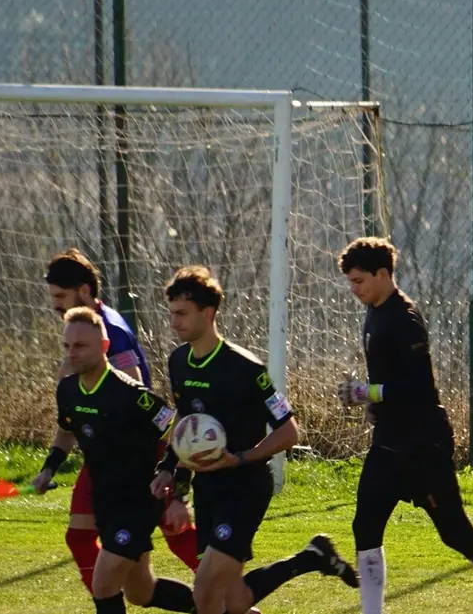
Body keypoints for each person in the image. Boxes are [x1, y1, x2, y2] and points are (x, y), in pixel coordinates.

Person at [150, 266, 358, 614]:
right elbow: (186, 425)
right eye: (171, 314)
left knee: (205, 593)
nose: (174, 323)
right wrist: (170, 474)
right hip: (208, 490)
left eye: (182, 314)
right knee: (236, 602)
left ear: (208, 313)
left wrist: (241, 457)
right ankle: (310, 557)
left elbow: (290, 431)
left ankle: (310, 557)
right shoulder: (178, 363)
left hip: (245, 488)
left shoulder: (247, 370)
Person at [336, 237, 473, 614]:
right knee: (365, 525)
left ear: (383, 274)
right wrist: (369, 401)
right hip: (388, 441)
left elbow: (419, 388)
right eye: (350, 281)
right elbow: (389, 387)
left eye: (358, 281)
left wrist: (368, 391)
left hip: (422, 445)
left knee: (455, 533)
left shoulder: (404, 318)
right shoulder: (373, 311)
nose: (352, 289)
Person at [43, 248, 200, 592]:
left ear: (84, 290)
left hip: (132, 451)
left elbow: (130, 394)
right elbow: (74, 409)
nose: (54, 304)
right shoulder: (82, 330)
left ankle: (228, 594)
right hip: (107, 451)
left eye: (60, 296)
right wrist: (51, 464)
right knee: (93, 545)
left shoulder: (108, 330)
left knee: (173, 531)